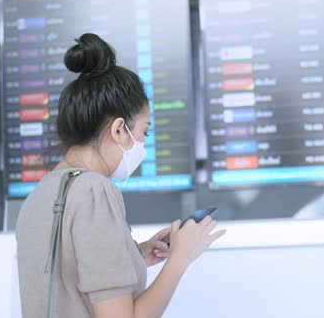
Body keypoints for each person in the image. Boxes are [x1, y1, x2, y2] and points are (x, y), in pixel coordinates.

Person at [16, 33, 225, 318]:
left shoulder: (40, 194)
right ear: (118, 130)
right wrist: (180, 258)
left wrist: (134, 256)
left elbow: (66, 279)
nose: (142, 143)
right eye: (144, 131)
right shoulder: (94, 191)